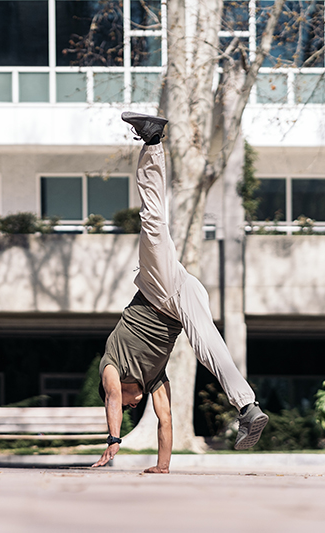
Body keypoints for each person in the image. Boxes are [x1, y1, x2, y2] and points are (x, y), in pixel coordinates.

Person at [91, 112, 268, 473]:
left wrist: (113, 439)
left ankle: (153, 143)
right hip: (183, 295)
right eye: (128, 410)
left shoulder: (111, 368)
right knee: (207, 344)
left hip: (159, 289)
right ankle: (247, 407)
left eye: (127, 405)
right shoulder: (153, 378)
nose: (128, 406)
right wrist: (162, 466)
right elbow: (166, 421)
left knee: (153, 223)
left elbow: (111, 398)